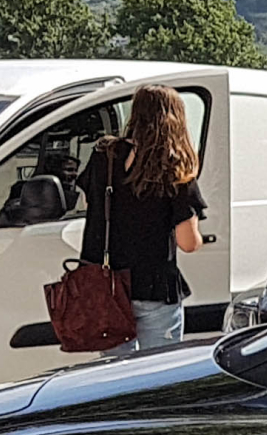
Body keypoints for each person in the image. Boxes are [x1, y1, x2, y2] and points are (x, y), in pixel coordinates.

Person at [78, 84, 206, 357]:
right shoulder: (176, 168)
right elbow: (188, 243)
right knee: (157, 374)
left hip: (109, 284)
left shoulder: (105, 155)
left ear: (135, 114)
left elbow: (93, 206)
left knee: (114, 375)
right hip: (154, 285)